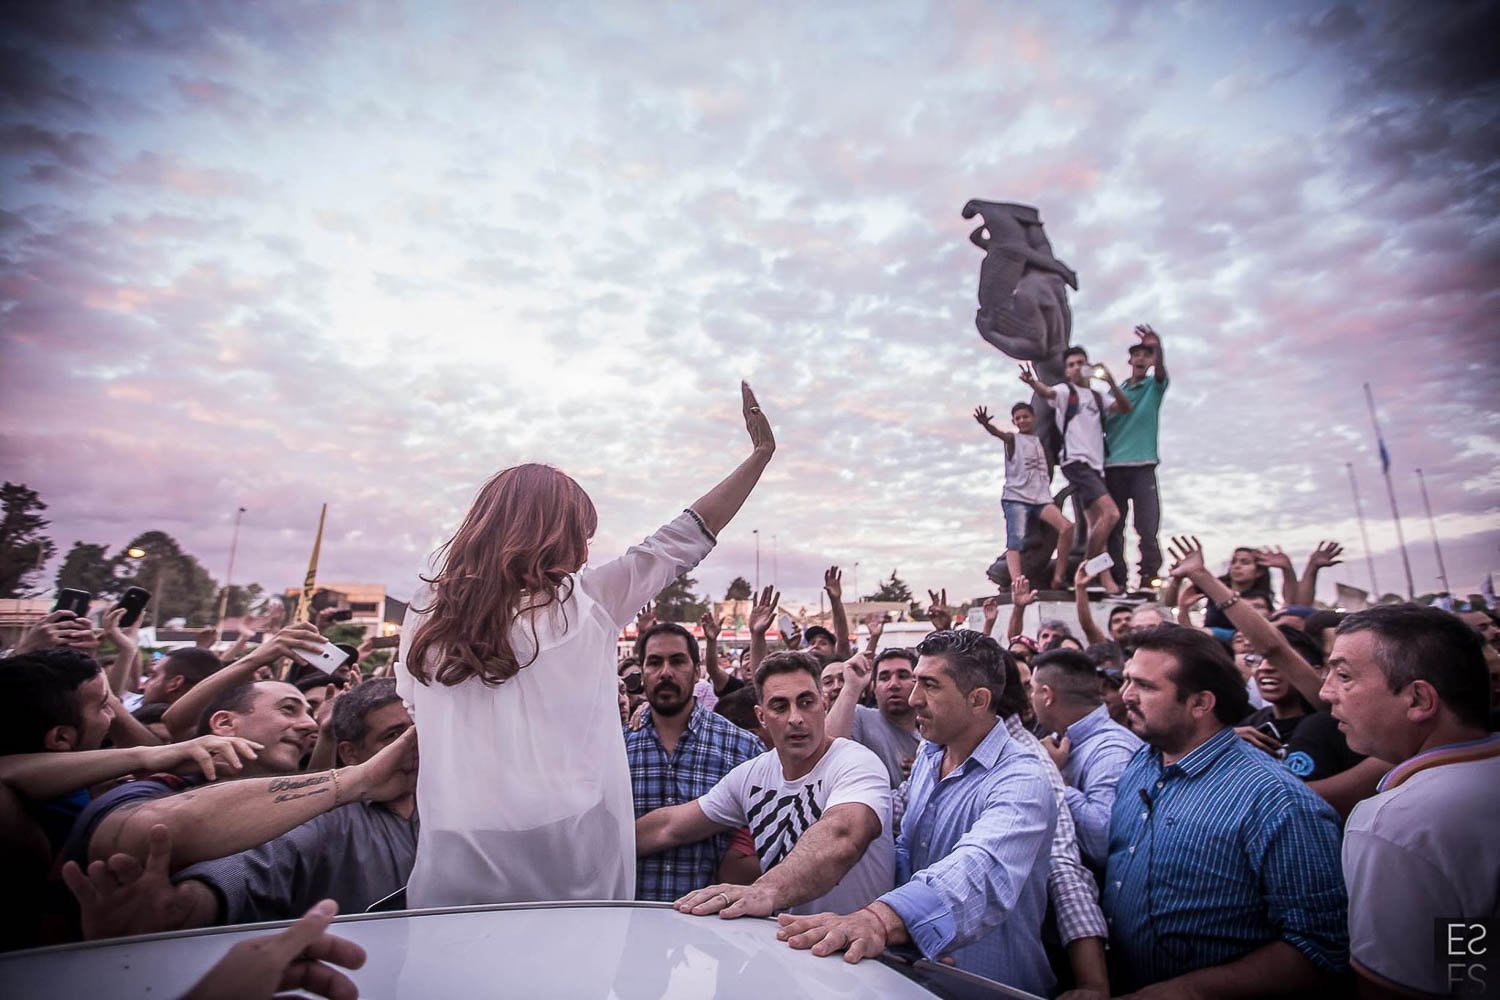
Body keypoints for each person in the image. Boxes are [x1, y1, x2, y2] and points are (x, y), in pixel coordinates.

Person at [397, 383, 775, 907]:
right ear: (547, 532)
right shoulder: (587, 604)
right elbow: (684, 538)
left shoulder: (426, 613)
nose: (585, 551)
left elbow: (418, 715)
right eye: (580, 532)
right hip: (568, 863)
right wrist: (759, 458)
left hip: (457, 857)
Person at [776, 630, 1059, 998]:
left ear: (978, 700)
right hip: (914, 976)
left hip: (991, 984)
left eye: (930, 685)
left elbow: (979, 870)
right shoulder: (930, 752)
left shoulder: (1022, 780)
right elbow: (901, 834)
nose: (913, 698)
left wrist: (881, 919)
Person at [1104, 625, 1348, 996]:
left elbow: (1320, 948)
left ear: (1201, 703)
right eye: (1127, 681)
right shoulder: (1143, 760)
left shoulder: (1274, 801)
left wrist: (1188, 991)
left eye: (1146, 686)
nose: (1126, 697)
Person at [1320, 605, 1499, 997]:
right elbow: (1468, 950)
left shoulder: (1393, 825)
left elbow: (1396, 988)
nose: (1325, 692)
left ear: (1418, 699)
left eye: (1344, 676)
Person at [634, 651, 893, 919]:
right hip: (782, 947)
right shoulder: (751, 776)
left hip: (855, 952)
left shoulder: (857, 762)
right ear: (761, 716)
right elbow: (670, 827)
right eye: (780, 706)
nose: (795, 718)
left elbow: (843, 834)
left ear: (824, 704)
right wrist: (599, 850)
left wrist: (765, 891)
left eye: (806, 702)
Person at [626, 621, 763, 903]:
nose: (665, 672)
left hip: (714, 932)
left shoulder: (742, 749)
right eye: (655, 662)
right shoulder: (617, 749)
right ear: (643, 672)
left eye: (677, 661)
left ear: (697, 670)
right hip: (628, 925)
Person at [1020, 346, 1131, 594]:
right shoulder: (1064, 392)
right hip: (1075, 462)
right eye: (1070, 364)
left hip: (1096, 464)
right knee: (1111, 515)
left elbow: (1124, 408)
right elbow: (1046, 391)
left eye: (1080, 363)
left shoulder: (1097, 397)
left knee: (1095, 526)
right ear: (1066, 371)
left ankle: (1104, 580)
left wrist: (1111, 382)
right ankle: (1087, 570)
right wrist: (1032, 382)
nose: (1076, 368)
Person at [1029, 648, 1142, 868]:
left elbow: (1102, 842)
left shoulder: (1112, 751)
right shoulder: (1056, 739)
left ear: (1047, 695)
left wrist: (1055, 779)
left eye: (1032, 690)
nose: (1030, 698)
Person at [974, 402, 1075, 590]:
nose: (1022, 420)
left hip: (1040, 498)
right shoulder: (1013, 439)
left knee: (1067, 527)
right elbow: (1000, 434)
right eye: (1018, 418)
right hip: (1017, 497)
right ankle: (1017, 582)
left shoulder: (1038, 442)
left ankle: (1059, 577)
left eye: (1025, 416)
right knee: (1015, 540)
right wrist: (987, 425)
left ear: (1033, 418)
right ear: (1013, 421)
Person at [1103, 325, 1168, 592]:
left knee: (1147, 526)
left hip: (1142, 465)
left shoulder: (1154, 387)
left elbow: (1162, 372)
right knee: (1114, 528)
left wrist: (1158, 347)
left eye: (1146, 355)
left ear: (1151, 361)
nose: (1141, 358)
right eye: (1137, 355)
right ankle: (1118, 579)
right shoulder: (1114, 392)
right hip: (1114, 466)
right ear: (1130, 361)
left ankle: (1148, 578)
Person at [826, 648, 920, 788]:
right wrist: (852, 687)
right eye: (884, 677)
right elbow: (825, 750)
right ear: (874, 688)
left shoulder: (932, 737)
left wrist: (924, 773)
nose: (893, 684)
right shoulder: (859, 717)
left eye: (903, 675)